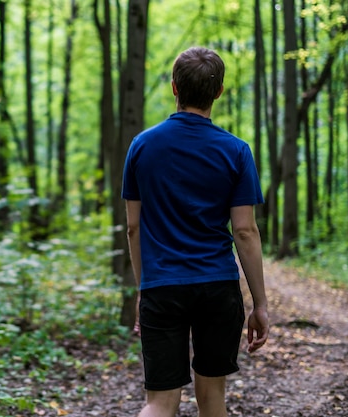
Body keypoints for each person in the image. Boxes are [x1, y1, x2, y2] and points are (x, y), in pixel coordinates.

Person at [121, 46, 270, 417]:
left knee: (159, 401)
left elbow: (133, 227)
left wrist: (145, 287)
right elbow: (245, 231)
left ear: (174, 87)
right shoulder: (236, 151)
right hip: (216, 286)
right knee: (212, 399)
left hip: (162, 286)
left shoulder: (141, 146)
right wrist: (260, 303)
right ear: (218, 92)